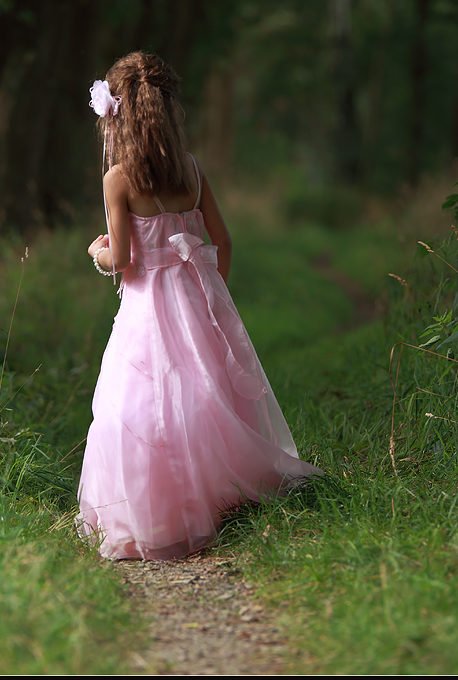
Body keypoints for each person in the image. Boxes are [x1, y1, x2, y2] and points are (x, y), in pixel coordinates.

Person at [77, 51, 321, 561]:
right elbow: (223, 242)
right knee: (206, 391)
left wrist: (98, 252)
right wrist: (213, 296)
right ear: (167, 111)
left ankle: (161, 508)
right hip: (197, 299)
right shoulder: (191, 169)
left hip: (147, 310)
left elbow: (124, 260)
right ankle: (223, 492)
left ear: (115, 116)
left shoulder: (118, 179)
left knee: (141, 404)